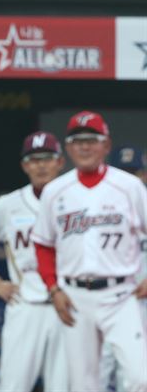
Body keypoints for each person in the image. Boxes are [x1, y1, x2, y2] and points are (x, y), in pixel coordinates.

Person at [32, 111, 147, 392]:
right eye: (77, 140)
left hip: (120, 295)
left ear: (106, 145)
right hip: (75, 297)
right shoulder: (55, 191)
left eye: (92, 140)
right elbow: (43, 244)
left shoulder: (130, 186)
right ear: (68, 147)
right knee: (84, 385)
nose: (84, 146)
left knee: (139, 377)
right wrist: (53, 289)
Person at [0, 131, 68, 392]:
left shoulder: (76, 200)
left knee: (67, 386)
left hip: (70, 304)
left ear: (60, 162)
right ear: (25, 165)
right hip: (26, 305)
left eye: (47, 158)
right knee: (13, 385)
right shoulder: (8, 205)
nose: (41, 165)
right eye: (34, 159)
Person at [100, 145, 147, 392]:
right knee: (98, 369)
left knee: (137, 376)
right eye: (123, 172)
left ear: (144, 175)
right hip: (108, 298)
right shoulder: (95, 207)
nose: (129, 179)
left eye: (134, 172)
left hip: (143, 299)